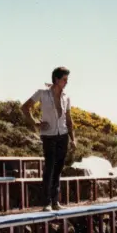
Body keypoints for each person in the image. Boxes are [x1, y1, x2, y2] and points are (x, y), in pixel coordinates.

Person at [21, 67, 76, 212]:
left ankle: (55, 201)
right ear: (56, 79)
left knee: (58, 169)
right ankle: (46, 203)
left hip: (63, 135)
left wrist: (73, 139)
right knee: (49, 168)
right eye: (64, 79)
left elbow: (69, 120)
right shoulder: (42, 93)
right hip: (49, 136)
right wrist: (35, 122)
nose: (66, 82)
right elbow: (25, 108)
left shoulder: (66, 97)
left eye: (67, 79)